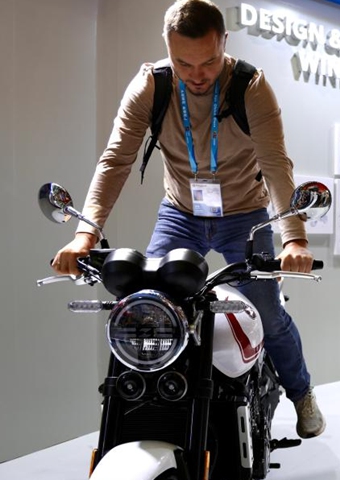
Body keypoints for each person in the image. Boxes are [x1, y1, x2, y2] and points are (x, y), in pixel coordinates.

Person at [50, 0, 325, 439]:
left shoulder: (250, 86)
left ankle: (302, 392)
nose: (197, 74)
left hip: (245, 217)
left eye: (210, 61)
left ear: (224, 45)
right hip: (180, 213)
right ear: (167, 48)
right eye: (184, 62)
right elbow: (115, 160)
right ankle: (149, 406)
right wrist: (86, 234)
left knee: (269, 314)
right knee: (147, 309)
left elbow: (275, 164)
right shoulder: (151, 86)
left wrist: (294, 240)